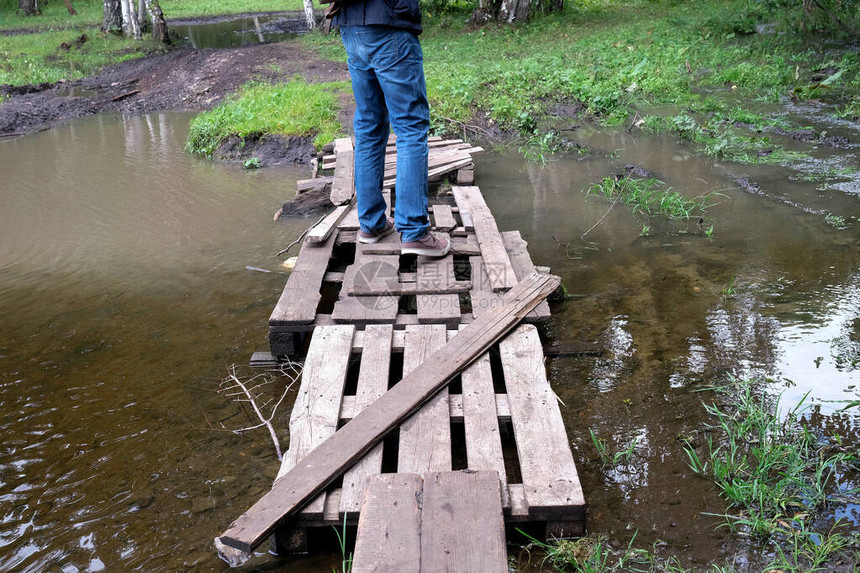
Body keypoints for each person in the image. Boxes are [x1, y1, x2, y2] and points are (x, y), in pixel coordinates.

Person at [331, 0, 450, 257]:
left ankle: (371, 225)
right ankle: (414, 231)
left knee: (369, 125)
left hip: (350, 24)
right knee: (410, 127)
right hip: (387, 23)